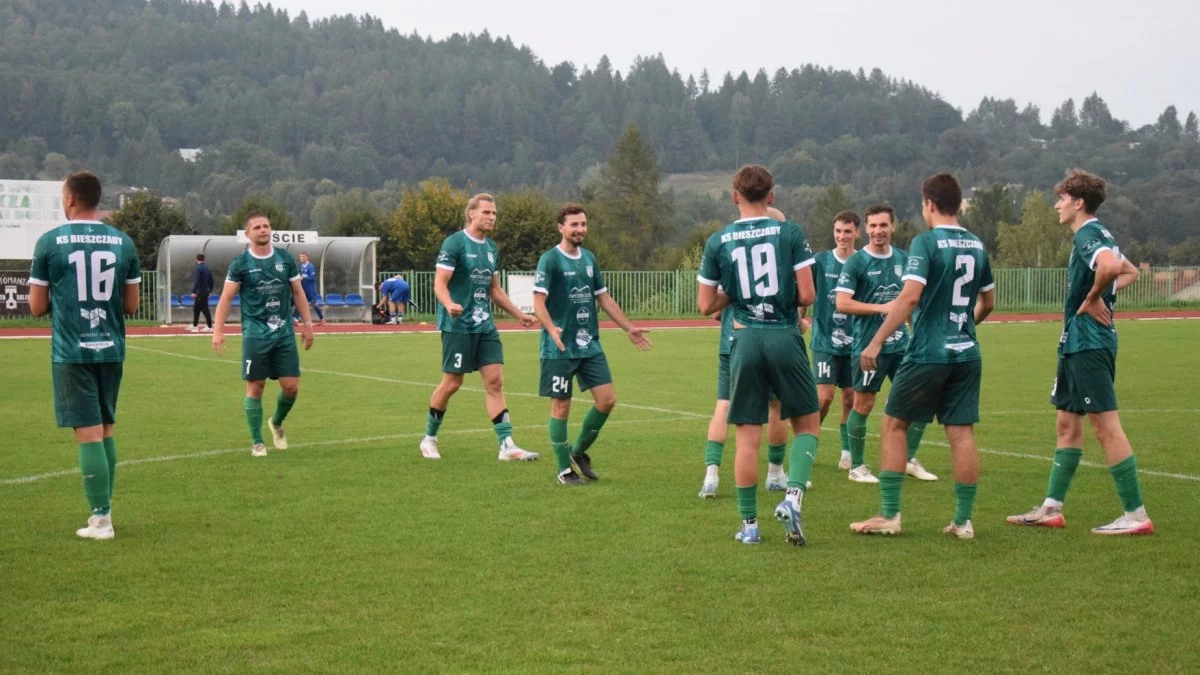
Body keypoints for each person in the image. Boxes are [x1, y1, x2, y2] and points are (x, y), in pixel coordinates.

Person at [1006, 169, 1153, 536]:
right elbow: (1129, 270)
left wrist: (1092, 297)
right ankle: (1051, 508)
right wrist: (1098, 293)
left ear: (1078, 202)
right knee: (1067, 424)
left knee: (1105, 427)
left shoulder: (1088, 233)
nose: (1057, 205)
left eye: (1062, 199)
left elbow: (1111, 267)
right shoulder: (1103, 234)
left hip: (1089, 342)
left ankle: (1136, 515)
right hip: (1075, 342)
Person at [850, 173, 995, 540]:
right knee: (961, 433)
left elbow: (910, 296)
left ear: (929, 204)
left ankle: (890, 515)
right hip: (967, 352)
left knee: (893, 425)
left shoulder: (925, 242)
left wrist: (876, 341)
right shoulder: (977, 244)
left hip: (929, 351)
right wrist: (964, 328)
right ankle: (963, 521)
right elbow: (988, 302)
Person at [697, 165, 821, 546]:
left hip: (744, 338)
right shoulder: (790, 232)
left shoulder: (719, 240)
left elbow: (706, 305)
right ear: (771, 196)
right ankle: (792, 497)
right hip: (783, 334)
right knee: (808, 424)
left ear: (735, 196)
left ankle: (749, 526)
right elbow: (807, 295)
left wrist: (735, 292)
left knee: (747, 437)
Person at [27, 171, 141, 540]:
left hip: (72, 350)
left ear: (70, 199)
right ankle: (102, 514)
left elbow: (36, 307)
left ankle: (102, 520)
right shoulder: (123, 242)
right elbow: (132, 305)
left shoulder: (50, 242)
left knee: (88, 433)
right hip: (111, 347)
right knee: (105, 429)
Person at [533, 203, 652, 484]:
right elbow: (538, 301)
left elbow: (604, 298)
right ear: (560, 227)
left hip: (589, 345)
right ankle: (563, 469)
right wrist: (551, 329)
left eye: (583, 224)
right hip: (559, 347)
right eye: (574, 224)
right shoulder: (550, 260)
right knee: (561, 406)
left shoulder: (589, 258)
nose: (580, 229)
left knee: (607, 400)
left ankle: (578, 451)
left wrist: (629, 328)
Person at [419, 193, 540, 461]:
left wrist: (519, 314)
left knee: (495, 382)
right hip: (457, 325)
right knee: (452, 383)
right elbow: (440, 282)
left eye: (494, 213)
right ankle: (429, 438)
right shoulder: (455, 243)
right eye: (486, 212)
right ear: (471, 213)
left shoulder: (491, 248)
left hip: (485, 325)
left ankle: (506, 445)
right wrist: (449, 303)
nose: (492, 217)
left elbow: (494, 289)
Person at [835, 205, 936, 484]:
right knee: (864, 404)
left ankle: (908, 459)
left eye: (883, 225)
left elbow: (910, 302)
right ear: (866, 229)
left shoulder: (905, 259)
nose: (878, 231)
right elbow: (842, 303)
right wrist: (882, 308)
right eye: (873, 226)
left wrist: (916, 331)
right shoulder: (856, 262)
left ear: (893, 226)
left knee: (921, 399)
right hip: (868, 346)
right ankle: (857, 467)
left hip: (902, 346)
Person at [699, 206, 793, 499]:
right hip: (770, 339)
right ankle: (775, 474)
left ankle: (711, 477)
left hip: (733, 340)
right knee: (776, 406)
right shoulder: (780, 257)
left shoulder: (731, 251)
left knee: (724, 405)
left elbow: (713, 306)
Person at [212, 211, 315, 457]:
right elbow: (226, 298)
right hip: (255, 334)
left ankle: (276, 422)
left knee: (291, 387)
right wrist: (218, 331)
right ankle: (257, 442)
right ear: (248, 233)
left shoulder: (284, 259)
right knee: (256, 387)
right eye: (257, 227)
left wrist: (308, 324)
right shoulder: (240, 264)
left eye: (266, 226)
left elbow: (298, 292)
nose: (263, 230)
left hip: (284, 333)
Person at [801, 210, 859, 473]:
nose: (842, 236)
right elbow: (804, 294)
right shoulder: (821, 261)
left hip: (856, 343)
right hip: (825, 341)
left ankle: (846, 452)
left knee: (850, 398)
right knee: (824, 398)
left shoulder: (864, 262)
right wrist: (798, 320)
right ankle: (810, 441)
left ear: (857, 232)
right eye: (838, 231)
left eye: (847, 231)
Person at [292, 251, 325, 325]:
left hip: (310, 289)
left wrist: (303, 277)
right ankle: (296, 320)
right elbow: (301, 276)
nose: (301, 258)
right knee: (300, 303)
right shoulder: (301, 266)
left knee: (314, 304)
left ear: (307, 257)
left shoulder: (310, 266)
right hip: (304, 289)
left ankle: (322, 319)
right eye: (300, 256)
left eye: (303, 256)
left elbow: (312, 277)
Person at [189, 253, 213, 333]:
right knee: (197, 308)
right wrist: (210, 290)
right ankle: (195, 325)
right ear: (204, 259)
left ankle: (208, 326)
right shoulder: (207, 268)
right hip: (205, 291)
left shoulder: (198, 269)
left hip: (200, 291)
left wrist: (194, 292)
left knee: (203, 309)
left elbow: (197, 281)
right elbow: (211, 280)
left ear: (197, 259)